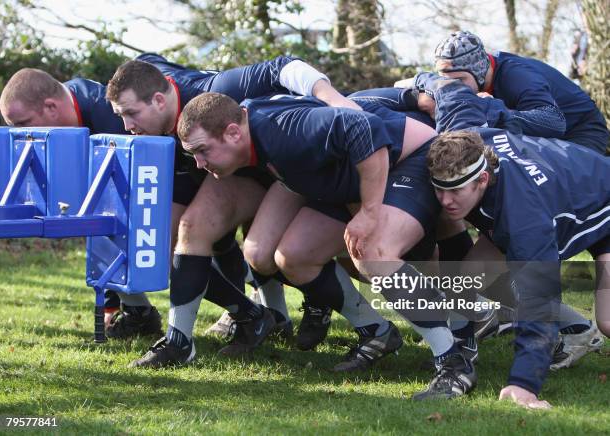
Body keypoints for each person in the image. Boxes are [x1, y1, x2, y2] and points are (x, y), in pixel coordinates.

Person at [175, 91, 478, 400]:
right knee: (293, 256)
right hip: (353, 176)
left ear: (233, 132)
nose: (198, 163)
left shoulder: (280, 130)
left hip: (404, 158)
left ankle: (454, 360)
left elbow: (364, 128)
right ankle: (376, 331)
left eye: (202, 151)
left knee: (374, 254)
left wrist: (369, 211)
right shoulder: (255, 132)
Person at [105, 55, 364, 367]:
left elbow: (283, 67)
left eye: (131, 113)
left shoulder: (213, 89)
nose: (127, 126)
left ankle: (364, 319)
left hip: (304, 171)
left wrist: (334, 100)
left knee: (360, 258)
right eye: (121, 116)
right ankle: (182, 341)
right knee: (187, 231)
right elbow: (145, 64)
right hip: (244, 173)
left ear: (160, 100)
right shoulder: (150, 96)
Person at [425, 80, 610, 409]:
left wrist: (523, 384)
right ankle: (457, 361)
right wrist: (417, 84)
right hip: (569, 186)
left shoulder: (523, 219)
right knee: (463, 281)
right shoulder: (466, 138)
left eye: (456, 191)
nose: (446, 201)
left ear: (482, 179)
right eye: (439, 189)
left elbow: (540, 300)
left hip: (601, 204)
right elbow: (452, 88)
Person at [0, 68, 163, 336]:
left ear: (51, 107)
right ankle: (137, 313)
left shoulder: (108, 116)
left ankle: (244, 310)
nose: (21, 134)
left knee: (180, 237)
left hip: (186, 175)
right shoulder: (64, 111)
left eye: (23, 123)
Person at [399, 30, 609, 155]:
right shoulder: (471, 76)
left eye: (460, 80)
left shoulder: (516, 75)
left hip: (581, 131)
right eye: (447, 81)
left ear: (480, 71)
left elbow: (554, 121)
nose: (454, 88)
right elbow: (405, 83)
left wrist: (494, 110)